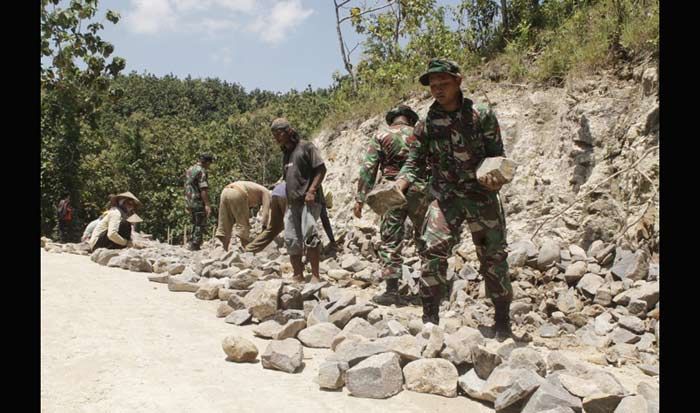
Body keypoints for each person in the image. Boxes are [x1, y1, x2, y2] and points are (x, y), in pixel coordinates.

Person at [395, 58, 513, 340]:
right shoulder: (426, 124)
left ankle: (502, 321)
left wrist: (494, 175)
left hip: (480, 196)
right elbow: (415, 161)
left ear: (458, 81)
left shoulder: (481, 115)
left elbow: (498, 155)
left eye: (443, 83)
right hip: (445, 196)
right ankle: (430, 319)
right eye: (433, 86)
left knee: (493, 256)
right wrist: (401, 182)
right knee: (432, 249)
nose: (437, 89)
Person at [354, 104, 431, 306]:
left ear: (393, 119)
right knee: (425, 237)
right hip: (421, 189)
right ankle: (431, 288)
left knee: (391, 239)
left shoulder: (381, 135)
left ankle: (391, 291)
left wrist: (360, 198)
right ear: (410, 119)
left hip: (391, 190)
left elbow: (369, 168)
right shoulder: (420, 134)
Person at [271, 118, 326, 283]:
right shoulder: (286, 153)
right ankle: (298, 274)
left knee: (310, 237)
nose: (276, 137)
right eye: (274, 134)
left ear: (288, 131)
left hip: (308, 201)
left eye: (279, 133)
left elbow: (321, 169)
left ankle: (315, 276)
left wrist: (311, 190)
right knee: (291, 239)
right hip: (292, 203)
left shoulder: (306, 147)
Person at [215, 180, 271, 251]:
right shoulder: (267, 193)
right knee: (243, 224)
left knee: (225, 223)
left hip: (225, 191)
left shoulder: (257, 188)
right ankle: (247, 249)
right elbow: (266, 213)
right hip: (238, 192)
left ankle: (222, 250)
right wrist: (264, 228)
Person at [184, 153, 214, 251]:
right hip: (197, 201)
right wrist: (207, 204)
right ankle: (195, 244)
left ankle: (191, 241)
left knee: (193, 222)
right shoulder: (201, 171)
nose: (209, 166)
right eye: (209, 163)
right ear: (206, 162)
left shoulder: (190, 169)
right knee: (199, 223)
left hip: (189, 200)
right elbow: (203, 189)